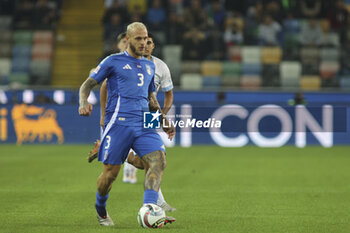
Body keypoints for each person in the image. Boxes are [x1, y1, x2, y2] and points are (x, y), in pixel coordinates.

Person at [78, 22, 175, 226]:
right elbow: (87, 84)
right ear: (128, 40)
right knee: (110, 176)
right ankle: (100, 208)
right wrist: (83, 102)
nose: (143, 42)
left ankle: (149, 208)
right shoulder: (113, 62)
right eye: (138, 38)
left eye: (146, 38)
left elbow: (150, 98)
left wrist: (163, 121)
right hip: (118, 125)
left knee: (158, 160)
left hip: (143, 124)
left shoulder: (150, 65)